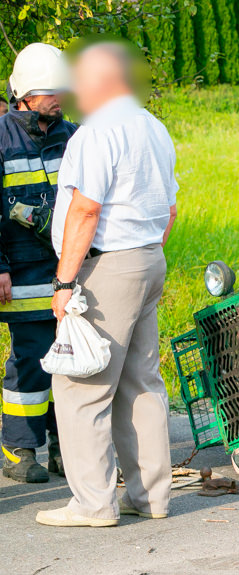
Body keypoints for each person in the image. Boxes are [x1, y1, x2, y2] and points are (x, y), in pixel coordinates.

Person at [36, 40, 178, 527]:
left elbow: (86, 209)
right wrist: (145, 251)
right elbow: (170, 208)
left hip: (107, 265)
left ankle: (94, 504)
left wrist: (64, 280)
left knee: (80, 385)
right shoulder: (152, 127)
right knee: (140, 381)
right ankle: (151, 496)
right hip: (148, 259)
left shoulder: (95, 134)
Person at [0, 43, 76, 483]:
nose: (58, 98)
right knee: (31, 359)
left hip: (69, 271)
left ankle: (66, 448)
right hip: (22, 273)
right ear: (24, 93)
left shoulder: (75, 135)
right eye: (50, 91)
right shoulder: (2, 139)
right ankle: (19, 450)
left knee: (70, 360)